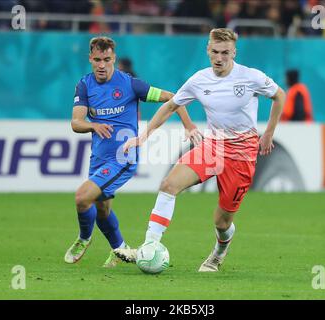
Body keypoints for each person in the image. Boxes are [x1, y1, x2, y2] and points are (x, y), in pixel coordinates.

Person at [115, 28, 286, 272]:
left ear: (234, 52)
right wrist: (143, 136)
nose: (219, 58)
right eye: (215, 52)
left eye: (225, 53)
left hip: (242, 152)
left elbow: (280, 96)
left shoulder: (250, 77)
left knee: (222, 221)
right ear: (208, 50)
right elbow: (170, 105)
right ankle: (150, 245)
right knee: (168, 185)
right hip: (212, 146)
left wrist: (268, 133)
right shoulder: (199, 80)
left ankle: (219, 251)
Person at [64, 36, 199, 267]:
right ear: (90, 59)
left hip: (122, 158)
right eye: (97, 59)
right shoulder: (84, 85)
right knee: (102, 209)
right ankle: (120, 249)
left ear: (113, 58)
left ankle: (84, 238)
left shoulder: (130, 84)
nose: (102, 65)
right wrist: (93, 125)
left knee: (82, 197)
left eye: (107, 59)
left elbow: (173, 99)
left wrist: (189, 125)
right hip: (98, 158)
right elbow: (76, 122)